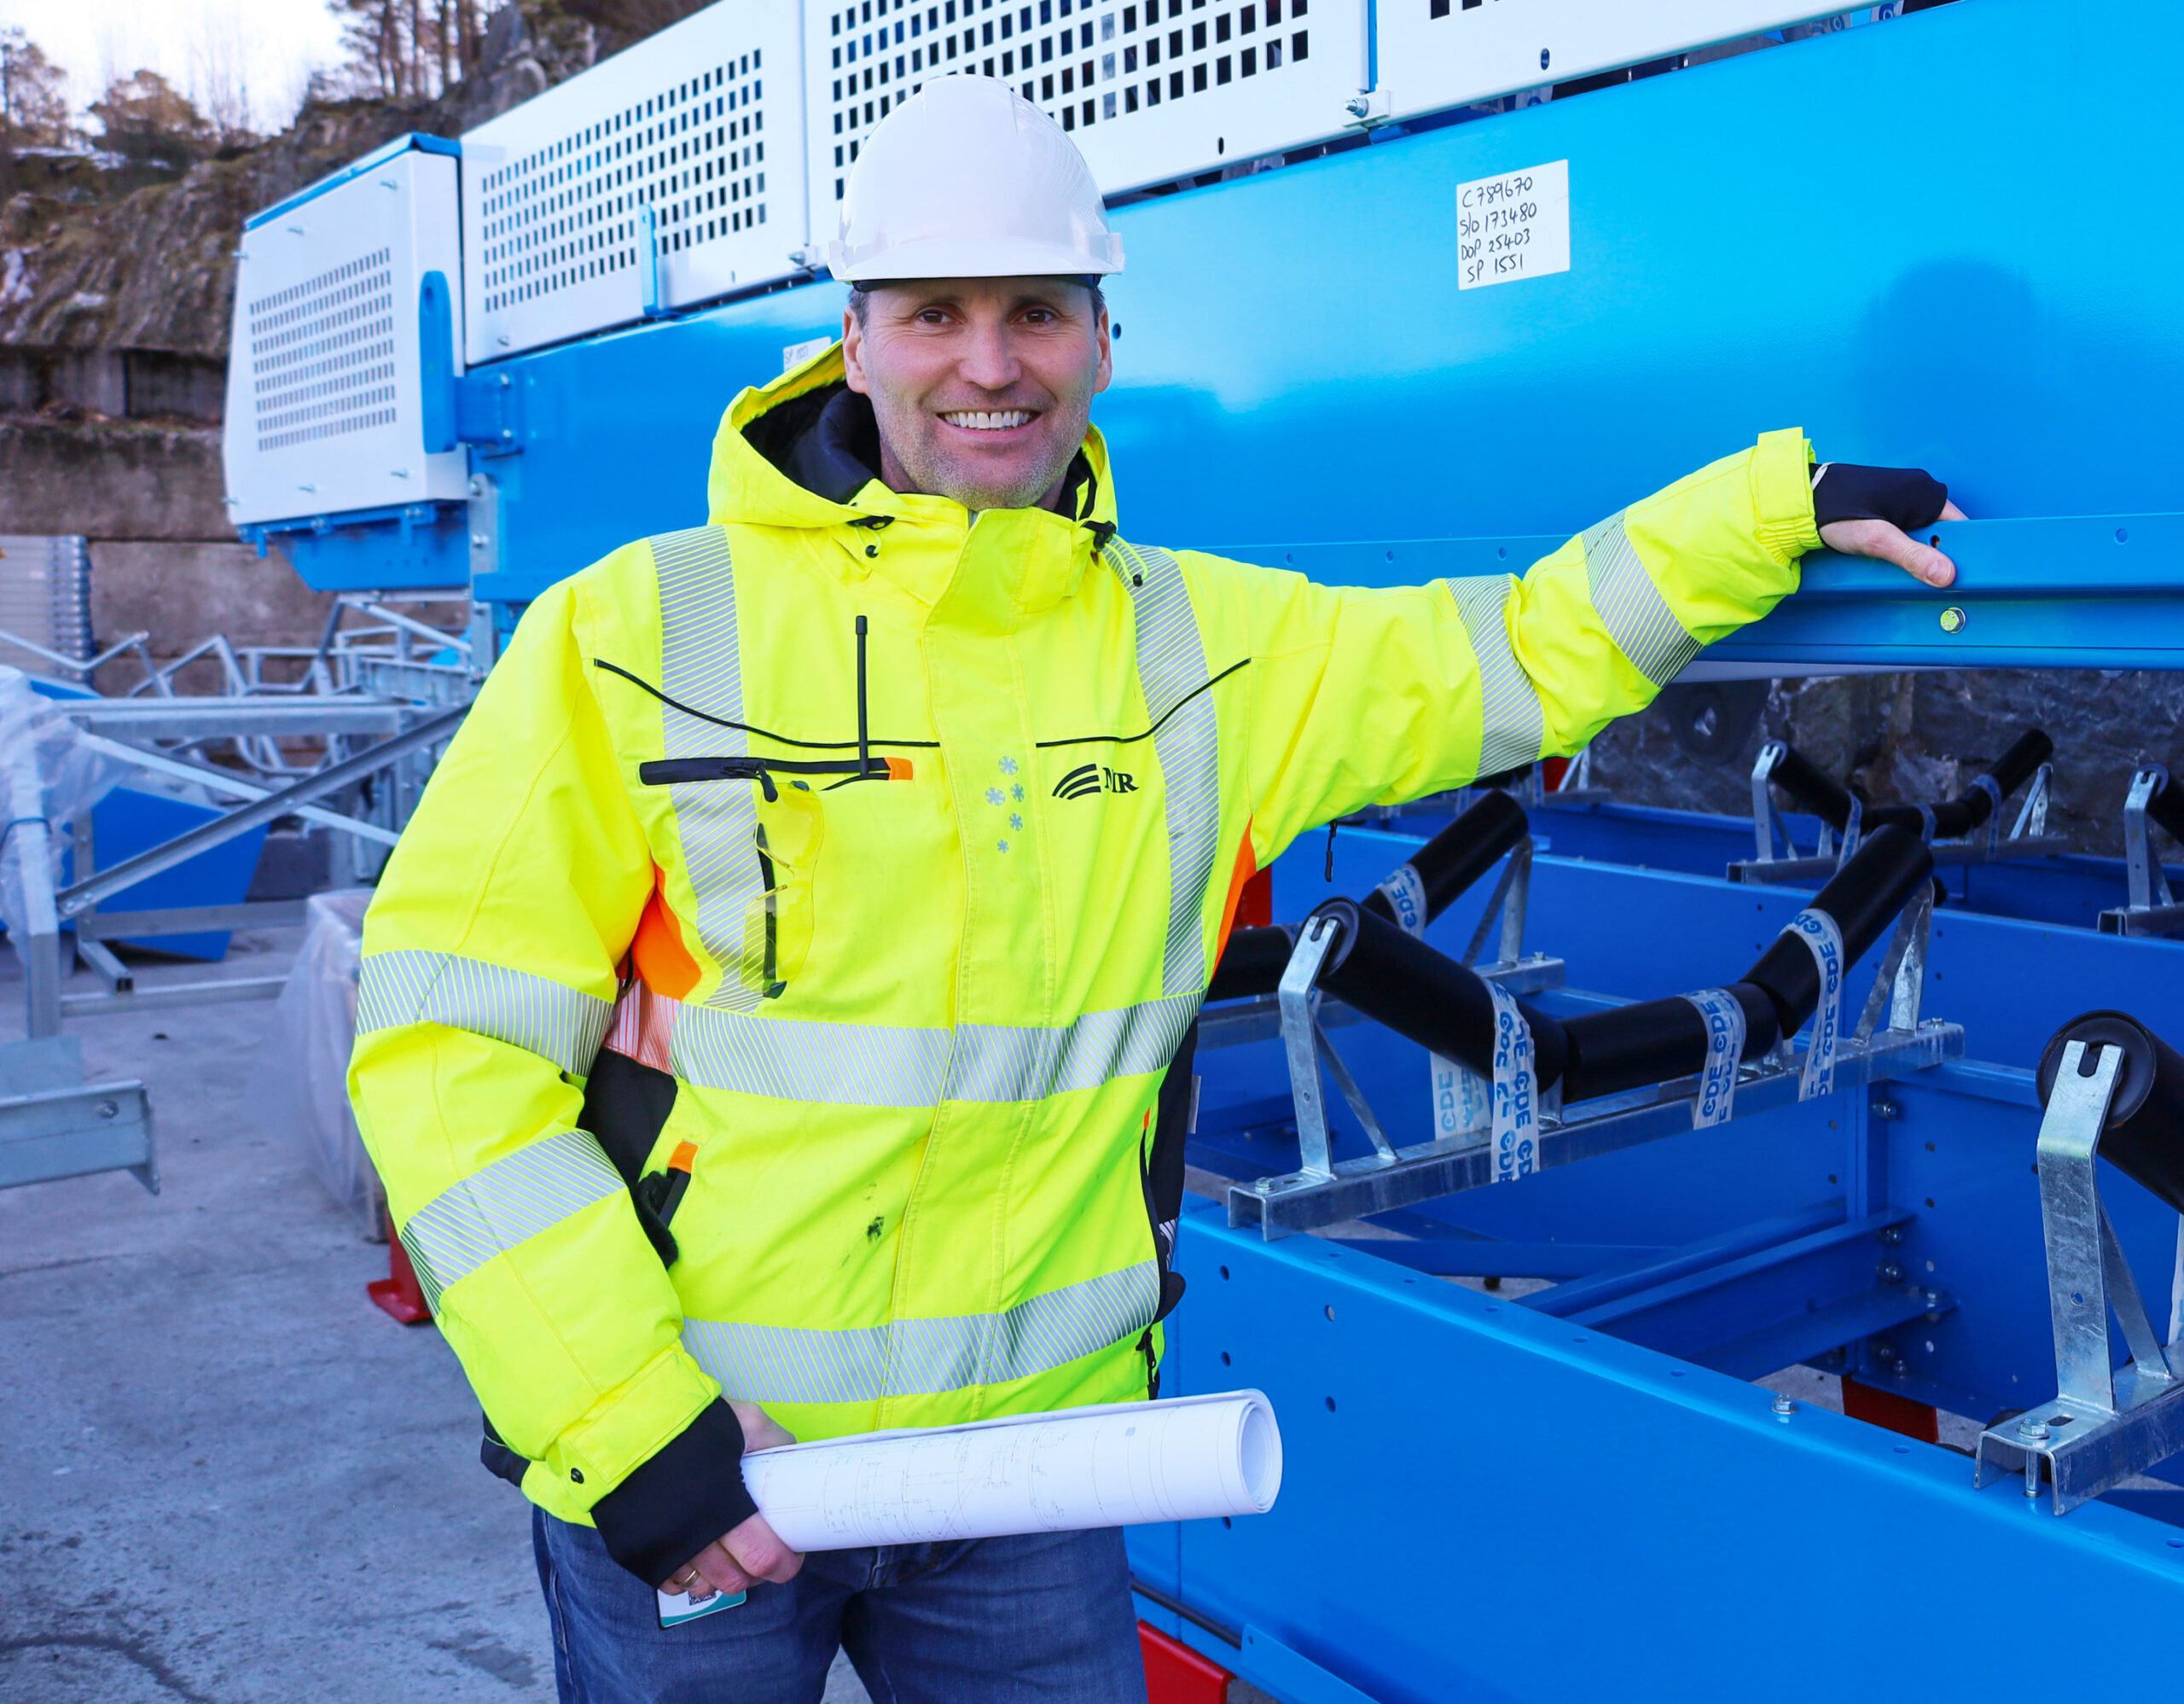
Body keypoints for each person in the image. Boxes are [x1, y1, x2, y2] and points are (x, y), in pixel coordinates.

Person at [348, 75, 1963, 1704]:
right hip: (709, 1461)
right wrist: (624, 1420)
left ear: (1104, 341)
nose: (991, 363)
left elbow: (1517, 649)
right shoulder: (631, 636)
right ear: (854, 339)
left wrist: (1769, 511)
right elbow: (443, 1049)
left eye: (1038, 312)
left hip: (1035, 1475)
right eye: (936, 315)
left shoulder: (1203, 650)